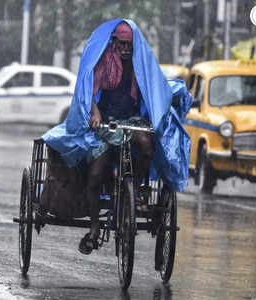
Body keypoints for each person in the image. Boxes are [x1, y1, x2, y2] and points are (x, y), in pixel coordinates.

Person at [42, 19, 191, 255]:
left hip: (132, 121)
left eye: (128, 45)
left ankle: (138, 188)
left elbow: (156, 87)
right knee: (95, 175)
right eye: (120, 44)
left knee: (146, 146)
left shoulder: (141, 63)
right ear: (113, 42)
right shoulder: (105, 62)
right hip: (107, 121)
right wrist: (95, 113)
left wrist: (162, 106)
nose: (124, 48)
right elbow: (89, 92)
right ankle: (93, 229)